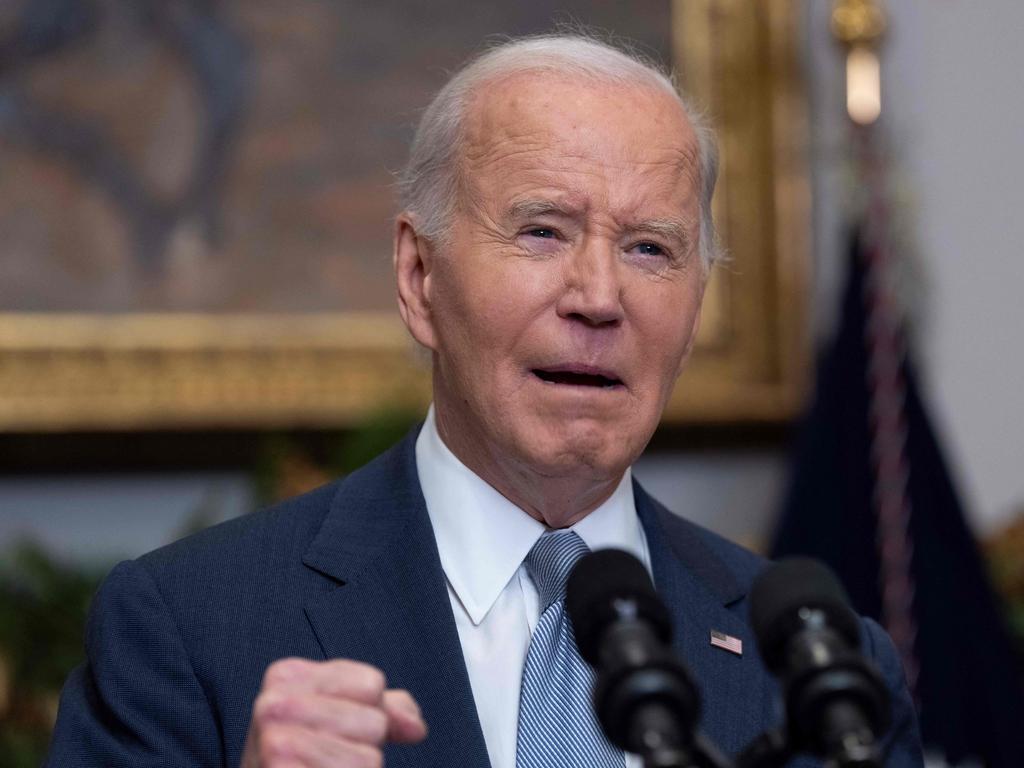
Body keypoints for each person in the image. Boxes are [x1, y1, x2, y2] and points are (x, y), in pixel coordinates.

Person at [45, 35, 923, 768]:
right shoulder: (190, 627)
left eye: (651, 249)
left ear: (694, 314)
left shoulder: (829, 671)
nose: (598, 296)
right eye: (543, 231)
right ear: (419, 276)